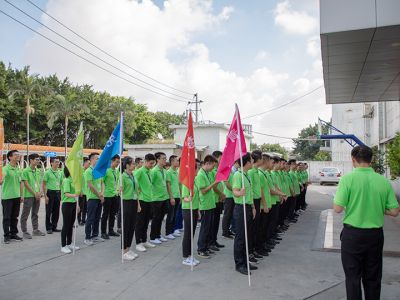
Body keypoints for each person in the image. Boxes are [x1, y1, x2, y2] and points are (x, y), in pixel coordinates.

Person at [333, 146, 399, 300]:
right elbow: (395, 211)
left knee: (353, 278)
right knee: (373, 277)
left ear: (353, 159)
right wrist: (377, 207)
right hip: (375, 236)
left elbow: (337, 208)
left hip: (352, 236)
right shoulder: (383, 181)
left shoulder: (347, 179)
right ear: (372, 160)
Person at [232, 153, 257, 275]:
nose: (253, 163)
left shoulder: (246, 175)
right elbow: (235, 191)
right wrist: (239, 193)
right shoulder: (238, 175)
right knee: (241, 237)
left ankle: (245, 261)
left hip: (247, 207)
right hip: (240, 208)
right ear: (247, 162)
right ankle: (239, 264)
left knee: (247, 236)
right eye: (252, 161)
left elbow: (249, 193)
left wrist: (252, 207)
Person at [196, 155, 218, 258]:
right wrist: (214, 184)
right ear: (207, 163)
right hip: (205, 205)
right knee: (204, 228)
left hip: (210, 204)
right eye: (213, 166)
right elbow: (203, 191)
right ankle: (201, 249)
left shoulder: (207, 173)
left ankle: (206, 246)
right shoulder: (200, 175)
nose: (213, 168)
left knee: (208, 228)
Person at [135, 153, 156, 252]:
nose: (152, 165)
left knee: (146, 222)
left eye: (153, 163)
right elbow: (134, 184)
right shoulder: (139, 172)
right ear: (146, 161)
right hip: (142, 200)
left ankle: (144, 240)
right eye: (151, 163)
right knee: (140, 223)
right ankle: (138, 243)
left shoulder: (150, 172)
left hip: (149, 200)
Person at [20, 153, 45, 239]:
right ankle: (24, 231)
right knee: (25, 214)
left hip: (37, 195)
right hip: (29, 195)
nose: (38, 161)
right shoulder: (25, 171)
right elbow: (26, 184)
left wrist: (40, 192)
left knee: (35, 213)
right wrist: (34, 193)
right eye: (36, 160)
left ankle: (35, 230)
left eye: (39, 160)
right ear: (31, 160)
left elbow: (40, 182)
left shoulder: (38, 171)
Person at [181, 159, 201, 267]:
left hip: (194, 209)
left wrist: (197, 210)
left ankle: (190, 254)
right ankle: (186, 256)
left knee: (192, 232)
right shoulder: (187, 181)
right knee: (188, 233)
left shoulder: (195, 181)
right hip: (188, 209)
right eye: (197, 167)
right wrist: (189, 198)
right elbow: (184, 198)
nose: (198, 169)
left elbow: (196, 197)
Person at [121, 156, 141, 261]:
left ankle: (128, 248)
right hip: (126, 202)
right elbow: (118, 191)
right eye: (132, 163)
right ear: (127, 165)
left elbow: (136, 191)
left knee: (132, 226)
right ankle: (124, 251)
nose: (134, 165)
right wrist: (119, 189)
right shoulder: (122, 176)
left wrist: (138, 204)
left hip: (134, 202)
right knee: (126, 227)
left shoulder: (133, 175)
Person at [0, 150, 23, 243]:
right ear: (10, 157)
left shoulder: (18, 169)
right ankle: (6, 236)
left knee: (15, 216)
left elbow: (21, 183)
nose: (18, 156)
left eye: (18, 155)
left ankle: (13, 234)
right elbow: (2, 178)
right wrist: (1, 180)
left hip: (17, 196)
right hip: (7, 197)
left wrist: (22, 195)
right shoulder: (5, 168)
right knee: (7, 217)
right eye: (16, 155)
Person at [84, 153, 104, 246]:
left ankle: (95, 235)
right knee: (90, 218)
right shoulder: (88, 171)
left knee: (97, 217)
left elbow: (102, 183)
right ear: (91, 160)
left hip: (99, 197)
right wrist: (99, 195)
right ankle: (87, 237)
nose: (98, 160)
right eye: (97, 159)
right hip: (92, 198)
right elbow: (90, 186)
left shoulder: (99, 171)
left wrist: (102, 194)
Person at [248, 150, 265, 260]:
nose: (263, 160)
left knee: (256, 227)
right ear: (257, 159)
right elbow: (251, 190)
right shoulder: (250, 172)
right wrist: (253, 206)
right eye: (262, 158)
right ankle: (250, 251)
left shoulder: (256, 172)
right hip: (253, 201)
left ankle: (254, 249)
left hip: (257, 201)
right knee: (251, 228)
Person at [149, 152, 169, 244]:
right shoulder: (153, 171)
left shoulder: (164, 170)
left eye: (165, 158)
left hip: (164, 197)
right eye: (163, 158)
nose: (165, 160)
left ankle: (158, 235)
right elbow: (149, 184)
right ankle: (153, 237)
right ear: (157, 160)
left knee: (161, 218)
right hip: (156, 198)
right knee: (156, 218)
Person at [60, 166, 80, 254]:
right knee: (66, 225)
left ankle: (69, 243)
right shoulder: (66, 180)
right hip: (67, 205)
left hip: (73, 204)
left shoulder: (73, 180)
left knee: (71, 225)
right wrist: (75, 195)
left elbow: (75, 195)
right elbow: (67, 194)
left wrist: (77, 205)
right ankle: (63, 245)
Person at [101, 154, 120, 240]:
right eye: (116, 162)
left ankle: (111, 230)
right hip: (107, 195)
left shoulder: (116, 171)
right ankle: (103, 232)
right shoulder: (107, 171)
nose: (117, 163)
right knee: (105, 214)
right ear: (112, 161)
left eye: (119, 162)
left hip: (114, 195)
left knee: (112, 214)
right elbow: (102, 182)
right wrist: (102, 194)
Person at [209, 150, 225, 251]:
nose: (222, 160)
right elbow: (214, 187)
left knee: (216, 223)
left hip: (219, 199)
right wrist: (221, 194)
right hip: (214, 199)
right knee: (212, 224)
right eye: (220, 158)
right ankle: (211, 242)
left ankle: (214, 241)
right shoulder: (212, 171)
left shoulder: (217, 170)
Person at [42, 157, 62, 234]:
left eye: (58, 162)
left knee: (56, 211)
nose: (58, 163)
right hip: (50, 193)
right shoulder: (47, 172)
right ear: (51, 163)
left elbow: (60, 183)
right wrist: (45, 196)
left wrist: (60, 192)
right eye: (56, 162)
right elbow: (43, 184)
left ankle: (54, 226)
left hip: (57, 193)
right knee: (49, 211)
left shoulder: (60, 172)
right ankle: (48, 228)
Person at [222, 161, 239, 239]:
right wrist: (234, 190)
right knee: (227, 215)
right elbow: (227, 183)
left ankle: (228, 230)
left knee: (231, 214)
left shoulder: (235, 171)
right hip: (228, 195)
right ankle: (225, 232)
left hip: (233, 195)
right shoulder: (228, 170)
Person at [166, 155, 181, 238]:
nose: (178, 162)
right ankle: (168, 232)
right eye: (176, 160)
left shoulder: (177, 172)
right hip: (172, 197)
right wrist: (171, 197)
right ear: (172, 162)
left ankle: (173, 230)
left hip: (177, 196)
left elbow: (178, 185)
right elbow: (168, 185)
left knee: (175, 214)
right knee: (170, 215)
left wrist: (180, 195)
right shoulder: (169, 172)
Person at [78, 158, 90, 226]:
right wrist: (80, 191)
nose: (89, 165)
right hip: (81, 192)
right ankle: (79, 220)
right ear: (84, 163)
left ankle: (83, 219)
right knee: (80, 207)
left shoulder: (88, 171)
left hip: (87, 192)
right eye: (88, 163)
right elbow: (78, 182)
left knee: (85, 207)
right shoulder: (80, 171)